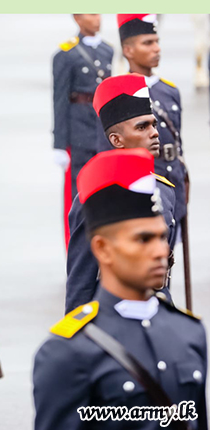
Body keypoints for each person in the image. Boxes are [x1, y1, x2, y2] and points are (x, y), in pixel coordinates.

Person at [34, 149, 207, 430]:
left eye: (161, 237)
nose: (160, 251)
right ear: (103, 249)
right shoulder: (67, 352)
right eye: (143, 239)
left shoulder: (190, 333)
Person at [66, 74, 176, 313]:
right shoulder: (94, 199)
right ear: (117, 140)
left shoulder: (165, 191)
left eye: (153, 124)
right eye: (142, 127)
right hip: (112, 316)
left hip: (159, 314)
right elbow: (80, 283)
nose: (154, 132)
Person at [118, 14, 187, 241]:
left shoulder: (170, 91)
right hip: (143, 184)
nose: (156, 48)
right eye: (147, 43)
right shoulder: (118, 95)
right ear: (128, 50)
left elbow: (178, 142)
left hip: (173, 182)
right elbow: (108, 151)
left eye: (157, 42)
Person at [51, 14, 113, 247]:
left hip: (102, 131)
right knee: (77, 196)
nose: (97, 18)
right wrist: (59, 144)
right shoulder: (65, 54)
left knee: (104, 193)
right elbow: (59, 100)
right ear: (77, 18)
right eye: (90, 13)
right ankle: (76, 247)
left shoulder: (107, 50)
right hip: (78, 133)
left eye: (98, 12)